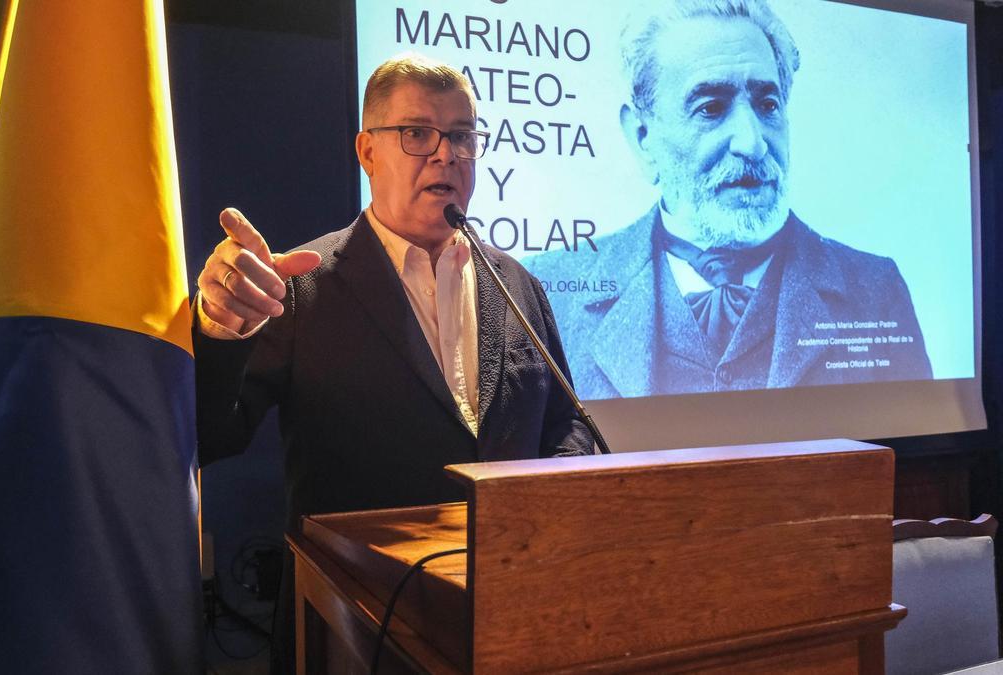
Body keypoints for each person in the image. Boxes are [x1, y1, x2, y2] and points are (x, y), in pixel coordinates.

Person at [193, 53, 594, 668]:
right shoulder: (301, 286)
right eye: (416, 133)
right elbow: (210, 435)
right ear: (366, 151)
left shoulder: (518, 284)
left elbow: (564, 426)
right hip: (357, 632)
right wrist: (222, 330)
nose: (445, 154)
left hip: (514, 624)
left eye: (461, 135)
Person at [525, 0, 932, 399]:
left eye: (767, 105)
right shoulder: (547, 294)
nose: (752, 144)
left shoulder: (875, 289)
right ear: (643, 138)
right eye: (711, 108)